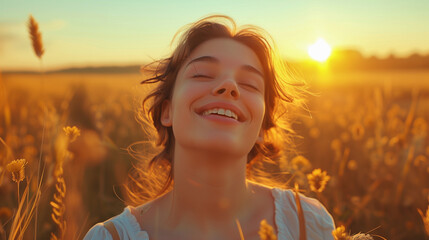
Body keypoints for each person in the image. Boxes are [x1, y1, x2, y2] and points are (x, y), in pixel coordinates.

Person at [84, 15, 335, 240]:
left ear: (261, 127)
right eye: (203, 74)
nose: (228, 85)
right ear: (166, 111)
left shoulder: (306, 224)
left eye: (249, 83)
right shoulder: (112, 237)